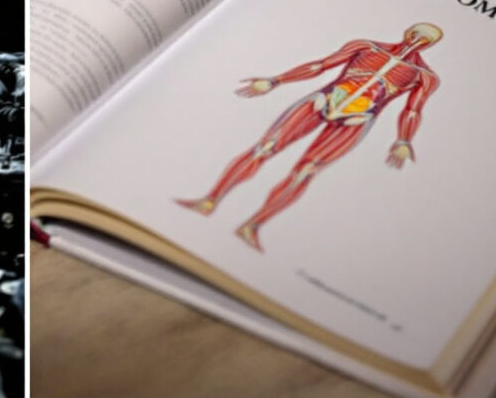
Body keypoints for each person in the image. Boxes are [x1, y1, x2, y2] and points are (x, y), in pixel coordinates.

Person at [177, 22, 442, 252]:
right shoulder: (367, 47)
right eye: (416, 33)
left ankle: (252, 226)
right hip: (322, 100)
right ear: (408, 31)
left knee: (306, 171)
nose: (417, 40)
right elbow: (321, 65)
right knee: (265, 148)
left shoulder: (424, 76)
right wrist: (275, 81)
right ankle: (209, 201)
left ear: (429, 45)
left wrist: (403, 140)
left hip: (359, 118)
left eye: (425, 40)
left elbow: (413, 110)